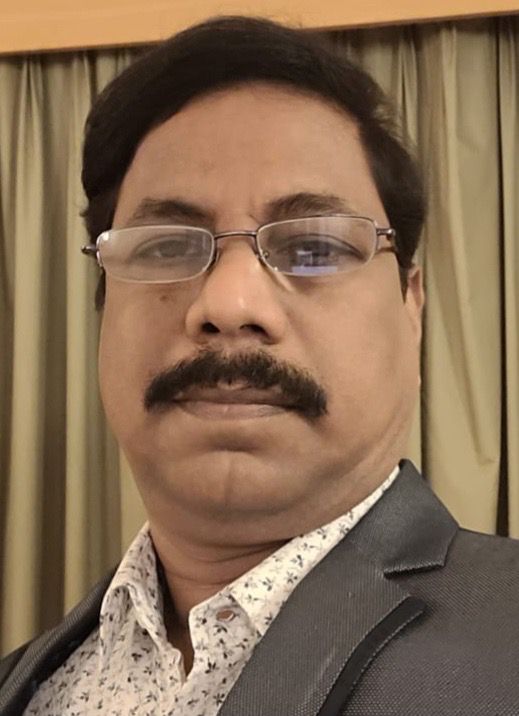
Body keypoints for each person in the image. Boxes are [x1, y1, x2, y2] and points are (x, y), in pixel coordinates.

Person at [1, 14, 518, 716]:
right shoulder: (25, 685)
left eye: (314, 247)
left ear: (411, 308)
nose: (229, 304)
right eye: (166, 246)